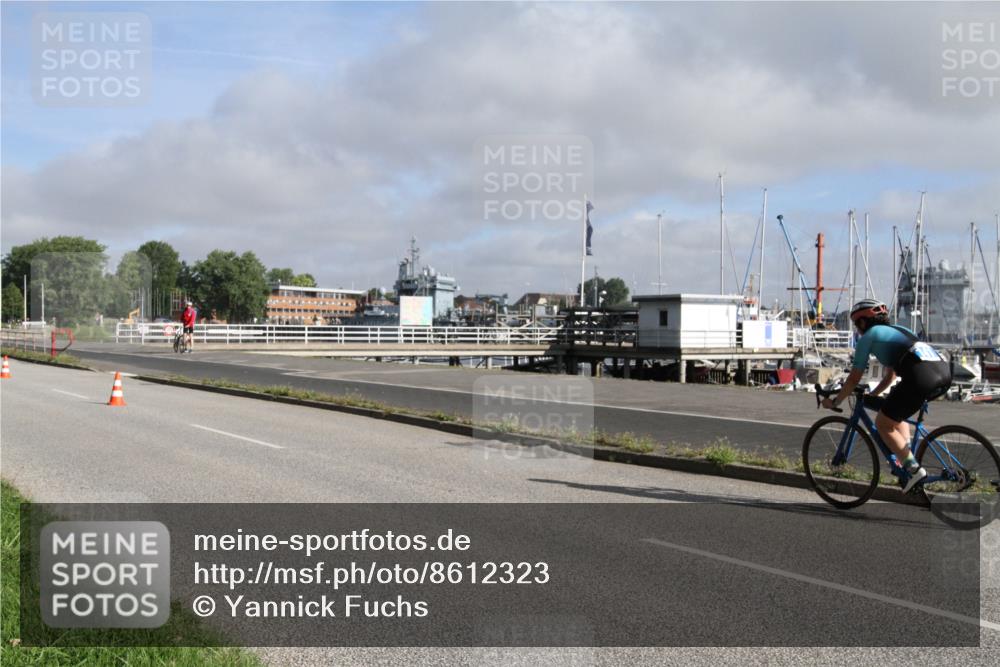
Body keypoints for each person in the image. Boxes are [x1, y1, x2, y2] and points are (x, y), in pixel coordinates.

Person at [822, 299, 952, 493]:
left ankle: (914, 469)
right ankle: (905, 457)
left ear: (863, 322)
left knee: (883, 423)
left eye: (857, 324)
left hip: (920, 378)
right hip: (944, 373)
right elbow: (891, 375)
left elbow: (853, 379)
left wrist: (835, 402)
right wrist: (872, 395)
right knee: (894, 411)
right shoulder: (898, 330)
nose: (858, 330)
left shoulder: (869, 337)